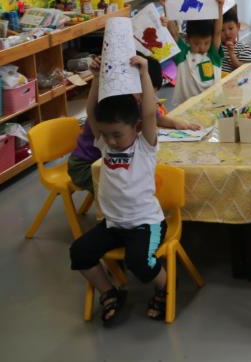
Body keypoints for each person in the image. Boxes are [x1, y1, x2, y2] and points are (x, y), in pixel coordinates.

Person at [69, 55, 168, 325]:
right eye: (106, 134)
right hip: (113, 224)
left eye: (117, 135)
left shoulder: (145, 145)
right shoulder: (104, 144)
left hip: (146, 223)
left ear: (136, 128)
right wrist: (96, 79)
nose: (111, 141)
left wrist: (144, 73)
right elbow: (92, 113)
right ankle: (109, 291)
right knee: (79, 252)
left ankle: (164, 287)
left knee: (139, 262)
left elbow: (148, 112)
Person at [67, 57, 200, 193]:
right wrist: (97, 78)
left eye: (149, 94)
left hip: (107, 163)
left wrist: (176, 123)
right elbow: (91, 111)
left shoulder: (136, 112)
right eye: (143, 93)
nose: (144, 98)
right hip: (86, 164)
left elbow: (153, 116)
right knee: (124, 183)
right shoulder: (111, 115)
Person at [163, 0, 225, 105]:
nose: (202, 47)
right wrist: (166, 6)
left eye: (206, 43)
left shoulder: (212, 53)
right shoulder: (182, 55)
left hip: (214, 105)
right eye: (197, 43)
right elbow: (173, 33)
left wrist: (220, 8)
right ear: (187, 39)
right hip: (188, 108)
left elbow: (217, 32)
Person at [220, 5, 251, 74]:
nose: (227, 33)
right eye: (222, 30)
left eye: (230, 28)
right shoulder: (217, 47)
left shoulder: (243, 48)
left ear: (238, 27)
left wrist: (231, 54)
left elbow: (247, 69)